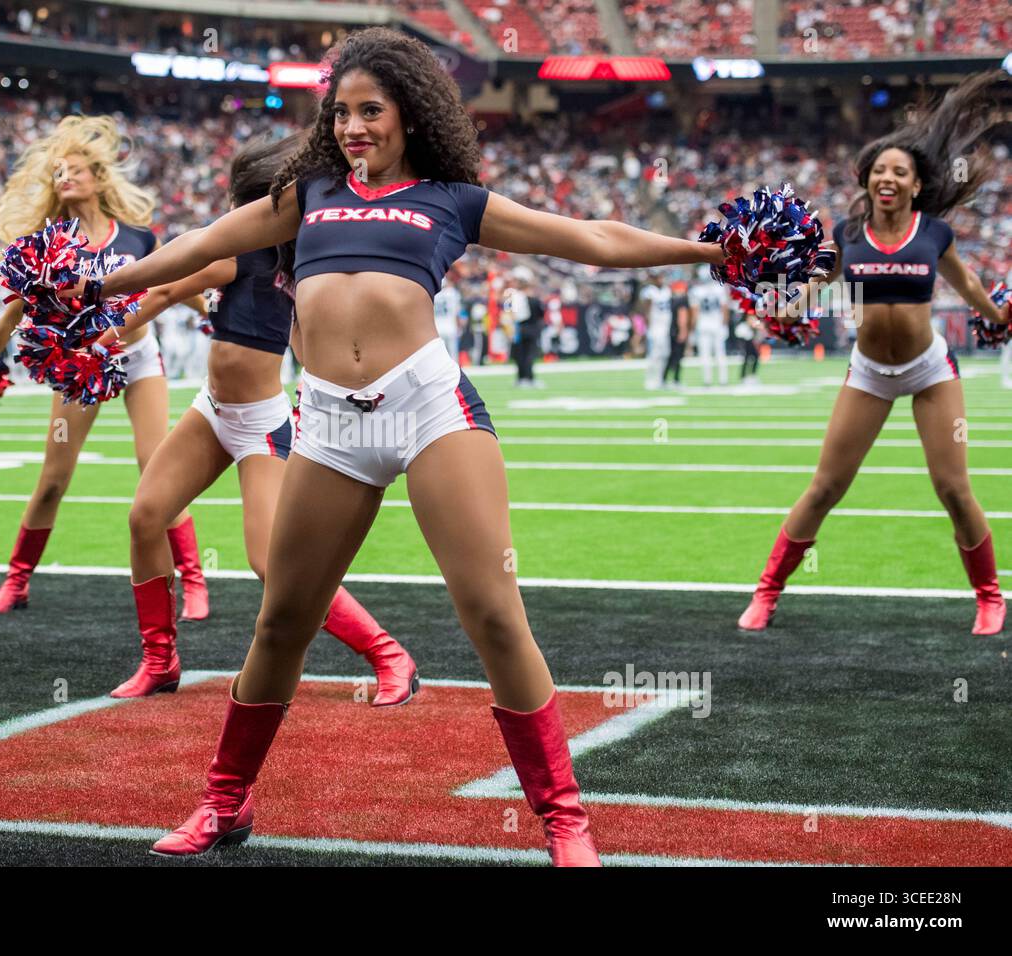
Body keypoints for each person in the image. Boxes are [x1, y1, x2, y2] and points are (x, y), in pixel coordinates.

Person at [86, 28, 725, 866]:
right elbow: (203, 244)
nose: (353, 127)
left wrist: (714, 251)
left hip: (430, 410)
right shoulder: (305, 193)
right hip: (330, 426)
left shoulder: (454, 199)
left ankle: (565, 821)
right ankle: (224, 804)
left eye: (371, 111)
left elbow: (595, 238)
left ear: (410, 115)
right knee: (282, 619)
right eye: (341, 113)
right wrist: (94, 284)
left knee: (495, 615)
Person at [101, 133, 419, 704]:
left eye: (240, 198)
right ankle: (160, 660)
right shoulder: (254, 251)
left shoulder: (282, 253)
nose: (233, 210)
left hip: (261, 424)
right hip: (212, 409)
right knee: (147, 516)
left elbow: (173, 289)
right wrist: (99, 336)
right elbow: (171, 290)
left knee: (269, 562)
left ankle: (388, 654)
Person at [739, 72, 1012, 637]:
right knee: (824, 487)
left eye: (899, 172)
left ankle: (989, 597)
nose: (888, 178)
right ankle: (767, 592)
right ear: (868, 179)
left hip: (930, 369)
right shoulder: (846, 236)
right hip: (869, 373)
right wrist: (772, 300)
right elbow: (802, 300)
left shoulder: (935, 234)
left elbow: (971, 293)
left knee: (954, 489)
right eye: (880, 170)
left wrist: (1001, 316)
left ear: (915, 185)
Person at [0, 115, 211, 620]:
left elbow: (172, 286)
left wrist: (215, 314)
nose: (65, 177)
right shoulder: (48, 245)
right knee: (54, 478)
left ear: (99, 178)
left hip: (139, 358)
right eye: (58, 172)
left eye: (74, 169)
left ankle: (194, 581)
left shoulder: (139, 239)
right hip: (80, 366)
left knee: (158, 469)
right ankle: (16, 580)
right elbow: (15, 310)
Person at [690, 265, 730, 386]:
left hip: (703, 324)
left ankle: (707, 380)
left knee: (705, 354)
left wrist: (692, 328)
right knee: (720, 353)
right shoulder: (720, 289)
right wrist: (725, 324)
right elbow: (725, 309)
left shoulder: (696, 290)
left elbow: (695, 312)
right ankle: (723, 380)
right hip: (717, 323)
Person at [639, 272, 673, 390]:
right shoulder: (649, 291)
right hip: (655, 328)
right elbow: (646, 311)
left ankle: (660, 380)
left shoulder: (666, 290)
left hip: (665, 327)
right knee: (654, 355)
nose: (661, 279)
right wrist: (648, 327)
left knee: (665, 354)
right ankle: (650, 380)